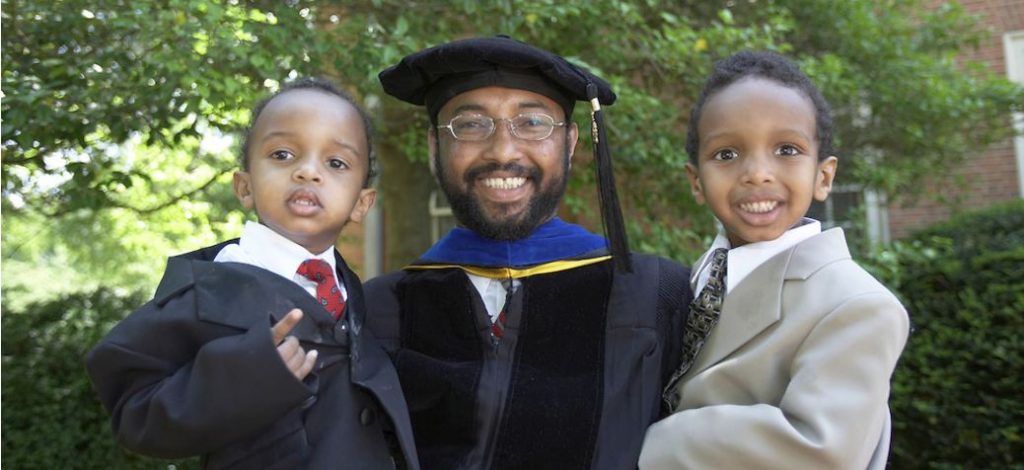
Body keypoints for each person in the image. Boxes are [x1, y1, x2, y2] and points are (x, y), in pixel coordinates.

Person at [364, 35, 693, 469]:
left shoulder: (657, 295)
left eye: (533, 123)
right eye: (470, 125)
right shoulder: (376, 309)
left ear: (571, 143)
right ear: (434, 147)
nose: (502, 150)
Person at [85, 77, 418, 469]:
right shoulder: (210, 290)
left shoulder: (355, 294)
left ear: (361, 204)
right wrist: (245, 376)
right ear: (244, 187)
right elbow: (135, 410)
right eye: (282, 155)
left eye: (336, 162)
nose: (308, 172)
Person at [639, 51, 910, 469]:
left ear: (824, 176)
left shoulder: (857, 306)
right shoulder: (698, 277)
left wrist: (632, 438)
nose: (757, 173)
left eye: (787, 149)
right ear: (696, 182)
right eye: (727, 154)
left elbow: (817, 450)